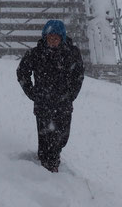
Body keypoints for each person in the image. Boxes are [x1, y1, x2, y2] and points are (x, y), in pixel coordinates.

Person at [17, 20, 85, 172]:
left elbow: (78, 76)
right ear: (45, 37)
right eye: (50, 38)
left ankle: (52, 160)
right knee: (46, 138)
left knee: (62, 137)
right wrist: (32, 93)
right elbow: (22, 72)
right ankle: (48, 170)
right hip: (43, 104)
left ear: (62, 38)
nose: (53, 41)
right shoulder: (36, 54)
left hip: (63, 104)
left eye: (56, 38)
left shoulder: (72, 53)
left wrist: (70, 95)